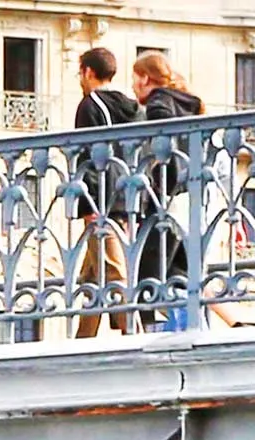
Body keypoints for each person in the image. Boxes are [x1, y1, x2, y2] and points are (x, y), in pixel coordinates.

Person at [71, 46, 142, 339]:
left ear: (88, 72)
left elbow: (90, 156)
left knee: (114, 271)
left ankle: (135, 337)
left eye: (80, 72)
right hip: (129, 198)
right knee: (93, 275)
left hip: (101, 202)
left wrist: (86, 205)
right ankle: (82, 341)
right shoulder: (133, 106)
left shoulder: (90, 105)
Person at [130, 50, 204, 333]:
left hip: (168, 197)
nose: (134, 86)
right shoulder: (189, 103)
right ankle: (190, 328)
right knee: (179, 271)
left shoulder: (159, 102)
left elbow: (165, 144)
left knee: (146, 271)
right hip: (190, 194)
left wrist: (161, 181)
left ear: (145, 78)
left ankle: (148, 332)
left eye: (135, 79)